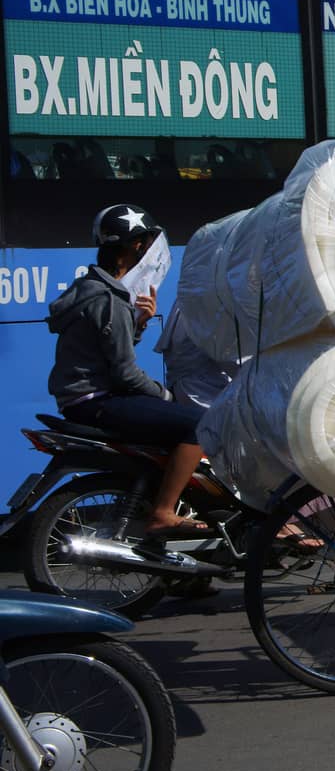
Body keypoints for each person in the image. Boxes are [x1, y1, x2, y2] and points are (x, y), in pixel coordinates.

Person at [47, 205, 210, 539]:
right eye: (146, 245)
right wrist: (165, 394)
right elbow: (124, 373)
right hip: (99, 400)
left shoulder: (88, 289)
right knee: (198, 424)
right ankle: (163, 512)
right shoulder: (111, 300)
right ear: (136, 246)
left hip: (81, 399)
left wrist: (139, 324)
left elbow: (104, 350)